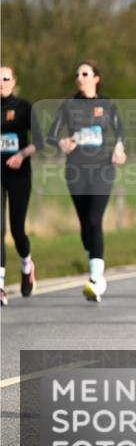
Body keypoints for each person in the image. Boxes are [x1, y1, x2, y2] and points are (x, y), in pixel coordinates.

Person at [46, 61, 127, 302]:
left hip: (102, 168)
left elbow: (120, 133)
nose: (80, 78)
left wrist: (120, 149)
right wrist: (62, 144)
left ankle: (95, 279)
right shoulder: (69, 106)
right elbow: (51, 135)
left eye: (85, 74)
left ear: (96, 78)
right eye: (77, 74)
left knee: (94, 219)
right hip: (76, 169)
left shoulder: (108, 105)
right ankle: (94, 264)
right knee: (85, 225)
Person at [1, 66, 42, 305]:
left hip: (18, 174)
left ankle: (27, 265)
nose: (1, 83)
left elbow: (39, 142)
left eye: (5, 78)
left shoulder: (24, 107)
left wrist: (21, 155)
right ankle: (1, 286)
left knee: (17, 230)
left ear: (13, 81)